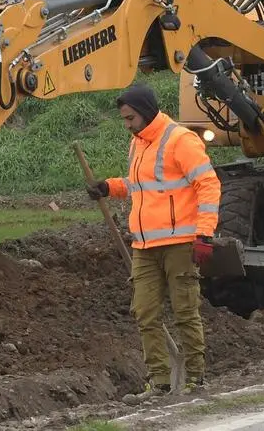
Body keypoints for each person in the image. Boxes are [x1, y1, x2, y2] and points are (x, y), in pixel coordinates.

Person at [86, 83, 221, 399]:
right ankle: (159, 383)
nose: (127, 124)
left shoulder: (180, 140)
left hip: (180, 243)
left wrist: (204, 234)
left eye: (130, 118)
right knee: (146, 313)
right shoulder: (138, 143)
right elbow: (139, 186)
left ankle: (195, 381)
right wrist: (109, 187)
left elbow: (209, 185)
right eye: (124, 119)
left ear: (146, 112)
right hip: (144, 246)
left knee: (185, 311)